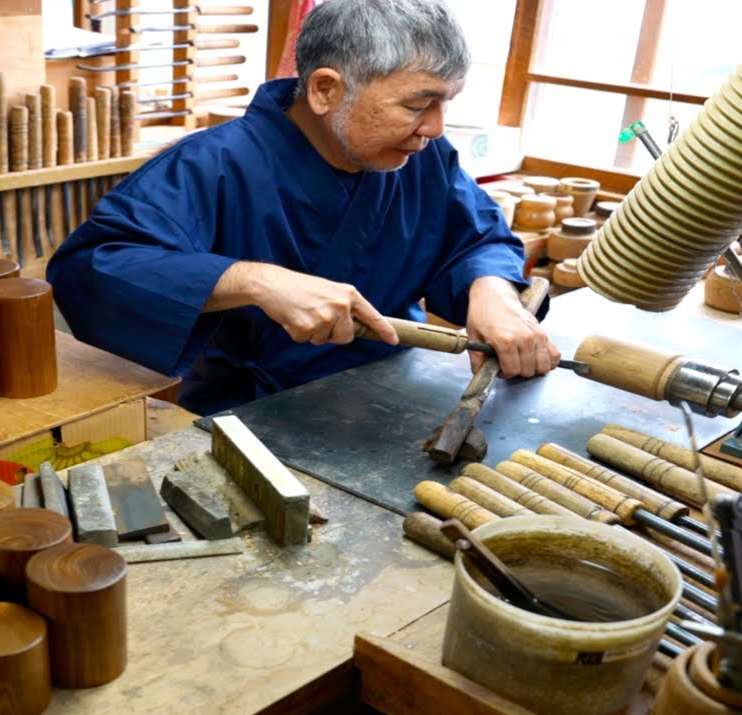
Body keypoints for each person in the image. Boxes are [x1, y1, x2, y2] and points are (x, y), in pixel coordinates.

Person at [46, 0, 562, 416]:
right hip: (247, 411)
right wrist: (253, 280)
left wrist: (490, 292)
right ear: (324, 90)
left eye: (446, 103)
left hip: (388, 393)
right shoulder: (212, 165)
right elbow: (91, 269)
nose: (435, 128)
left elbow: (478, 239)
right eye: (416, 104)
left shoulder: (421, 159)